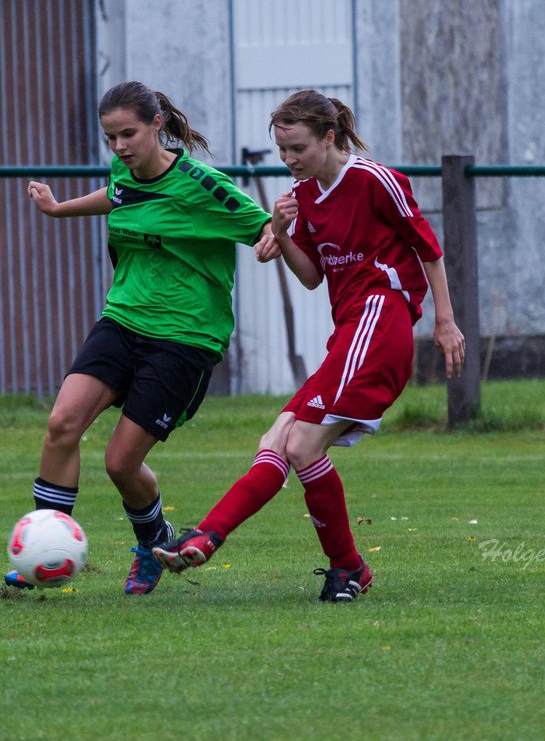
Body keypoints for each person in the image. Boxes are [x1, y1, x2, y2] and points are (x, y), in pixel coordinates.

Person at [152, 90, 465, 601]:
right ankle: (208, 539)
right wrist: (282, 232)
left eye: (297, 148)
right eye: (281, 151)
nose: (289, 161)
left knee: (300, 443)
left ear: (329, 137)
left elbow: (427, 248)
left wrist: (445, 322)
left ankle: (339, 565)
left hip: (380, 319)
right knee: (276, 440)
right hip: (349, 332)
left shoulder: (374, 180)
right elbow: (314, 278)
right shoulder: (305, 199)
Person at [5, 81, 277, 595]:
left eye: (128, 134)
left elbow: (266, 226)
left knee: (119, 462)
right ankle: (43, 547)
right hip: (123, 319)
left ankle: (153, 539)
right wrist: (58, 209)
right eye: (110, 139)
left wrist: (272, 240)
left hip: (184, 338)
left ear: (157, 125)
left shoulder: (205, 187)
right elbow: (119, 196)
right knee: (62, 424)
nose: (119, 147)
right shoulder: (124, 171)